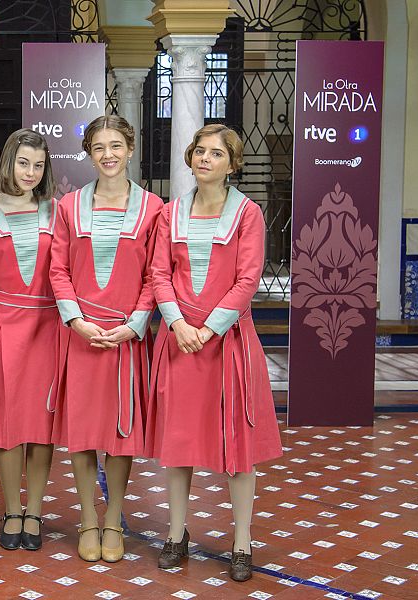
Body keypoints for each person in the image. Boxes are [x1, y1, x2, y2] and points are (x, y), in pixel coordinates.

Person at [145, 124, 283, 582]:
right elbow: (158, 273)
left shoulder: (248, 214)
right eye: (200, 151)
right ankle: (176, 534)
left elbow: (248, 280)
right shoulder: (170, 213)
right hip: (181, 342)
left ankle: (241, 541)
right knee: (179, 445)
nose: (205, 159)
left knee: (236, 449)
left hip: (228, 346)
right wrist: (179, 324)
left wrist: (208, 330)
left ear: (232, 163)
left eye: (216, 153)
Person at [48, 115, 163, 563]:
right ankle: (88, 518)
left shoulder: (155, 208)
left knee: (120, 433)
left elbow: (157, 274)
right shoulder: (69, 206)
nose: (108, 155)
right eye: (99, 147)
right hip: (82, 335)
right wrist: (75, 320)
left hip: (125, 337)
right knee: (82, 434)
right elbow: (57, 269)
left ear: (130, 149)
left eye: (116, 145)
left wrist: (134, 324)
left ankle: (114, 516)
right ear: (89, 153)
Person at [0, 129, 58, 552]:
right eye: (23, 163)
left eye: (38, 165)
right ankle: (12, 508)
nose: (30, 173)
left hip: (47, 329)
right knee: (4, 428)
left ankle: (35, 510)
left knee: (41, 427)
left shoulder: (57, 213)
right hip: (1, 330)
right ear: (8, 162)